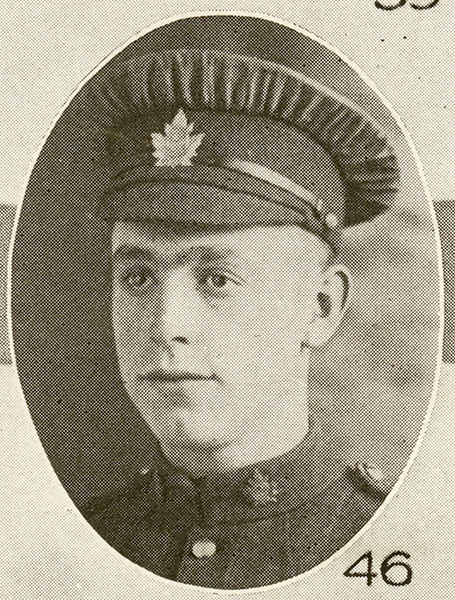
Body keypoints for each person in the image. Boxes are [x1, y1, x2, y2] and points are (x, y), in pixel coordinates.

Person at [80, 16, 400, 589]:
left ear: (321, 308)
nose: (165, 326)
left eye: (218, 280)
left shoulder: (392, 537)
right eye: (136, 277)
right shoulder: (77, 537)